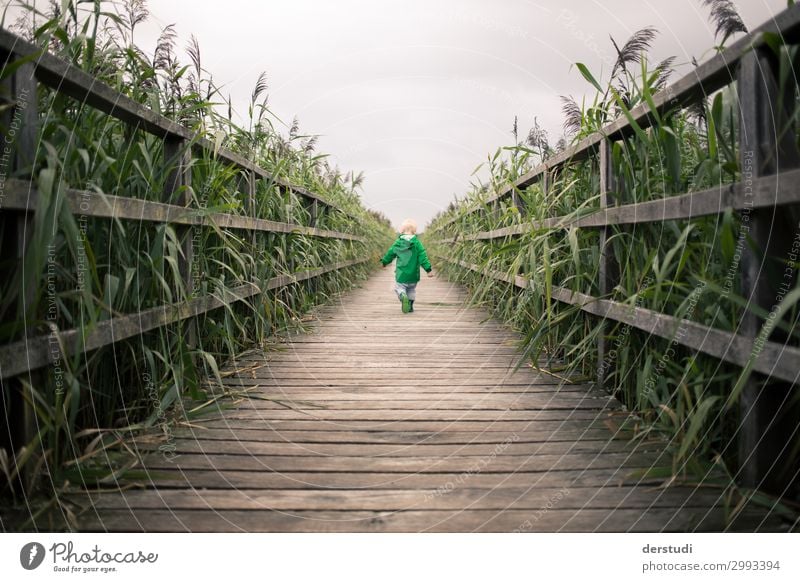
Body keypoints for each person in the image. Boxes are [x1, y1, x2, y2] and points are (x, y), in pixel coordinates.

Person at [380, 219, 433, 313]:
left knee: (399, 288)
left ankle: (402, 296)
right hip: (413, 275)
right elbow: (423, 256)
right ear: (415, 231)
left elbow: (390, 253)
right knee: (411, 289)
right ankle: (410, 305)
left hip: (401, 274)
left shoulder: (398, 243)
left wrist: (384, 262)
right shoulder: (417, 243)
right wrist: (428, 270)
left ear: (401, 230)